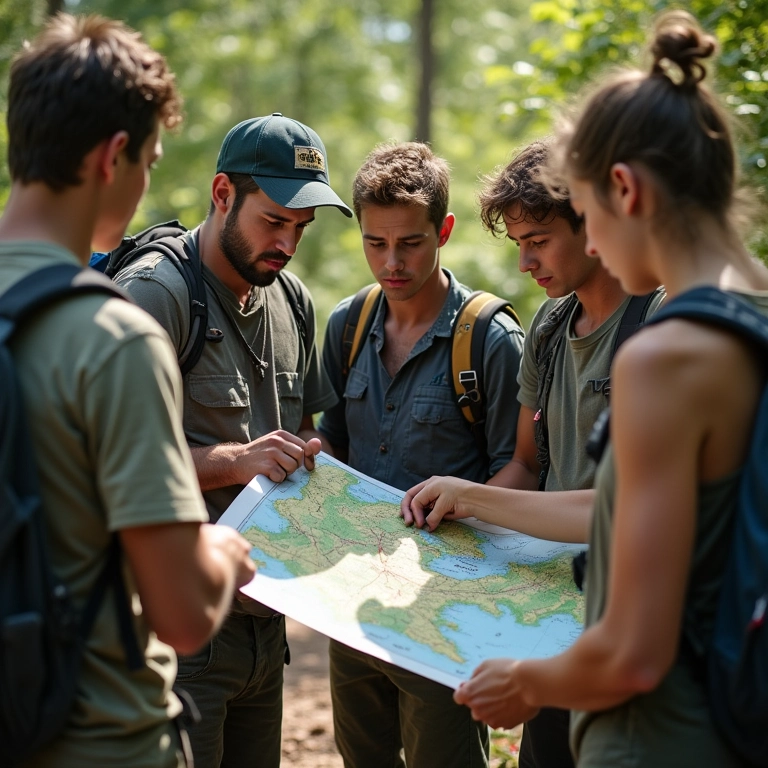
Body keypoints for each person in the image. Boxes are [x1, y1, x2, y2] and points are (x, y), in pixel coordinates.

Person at [437, 10, 768, 768]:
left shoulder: (664, 357)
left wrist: (524, 682)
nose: (590, 242)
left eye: (584, 213)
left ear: (623, 188)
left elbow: (631, 656)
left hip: (658, 738)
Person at [0, 14, 255, 768]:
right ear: (114, 157)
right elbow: (181, 614)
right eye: (149, 159)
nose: (147, 179)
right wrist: (222, 551)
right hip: (100, 742)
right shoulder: (111, 338)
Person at [401, 139, 663, 767]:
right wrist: (456, 522)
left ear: (593, 222)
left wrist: (474, 495)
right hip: (550, 618)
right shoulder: (547, 328)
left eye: (539, 239)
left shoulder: (660, 326)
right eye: (518, 243)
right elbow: (527, 466)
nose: (525, 262)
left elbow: (621, 507)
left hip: (636, 627)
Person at [115, 112, 349, 768]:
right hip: (177, 633)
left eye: (300, 228)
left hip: (266, 629)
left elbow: (304, 427)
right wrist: (234, 462)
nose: (288, 242)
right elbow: (102, 471)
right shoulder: (155, 295)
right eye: (274, 221)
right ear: (223, 195)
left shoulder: (293, 300)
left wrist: (312, 456)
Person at [318, 141, 525, 768]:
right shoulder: (347, 324)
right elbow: (334, 443)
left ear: (445, 232)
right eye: (375, 243)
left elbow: (521, 472)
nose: (391, 261)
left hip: (449, 617)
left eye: (409, 242)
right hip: (351, 602)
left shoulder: (490, 337)